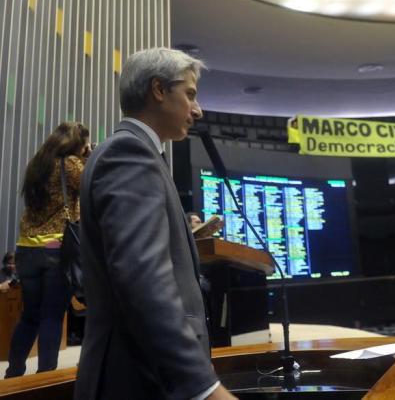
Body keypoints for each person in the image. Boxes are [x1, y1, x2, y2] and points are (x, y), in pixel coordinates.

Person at [75, 48, 237, 399]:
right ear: (159, 90)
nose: (198, 110)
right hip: (135, 378)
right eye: (190, 94)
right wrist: (203, 387)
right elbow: (143, 279)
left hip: (145, 371)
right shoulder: (129, 154)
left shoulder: (136, 153)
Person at [4, 122, 91, 378]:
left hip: (26, 248)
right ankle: (45, 378)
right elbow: (92, 185)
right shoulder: (70, 163)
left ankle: (13, 373)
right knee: (52, 315)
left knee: (30, 315)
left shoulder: (37, 164)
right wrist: (87, 158)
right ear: (77, 143)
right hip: (55, 247)